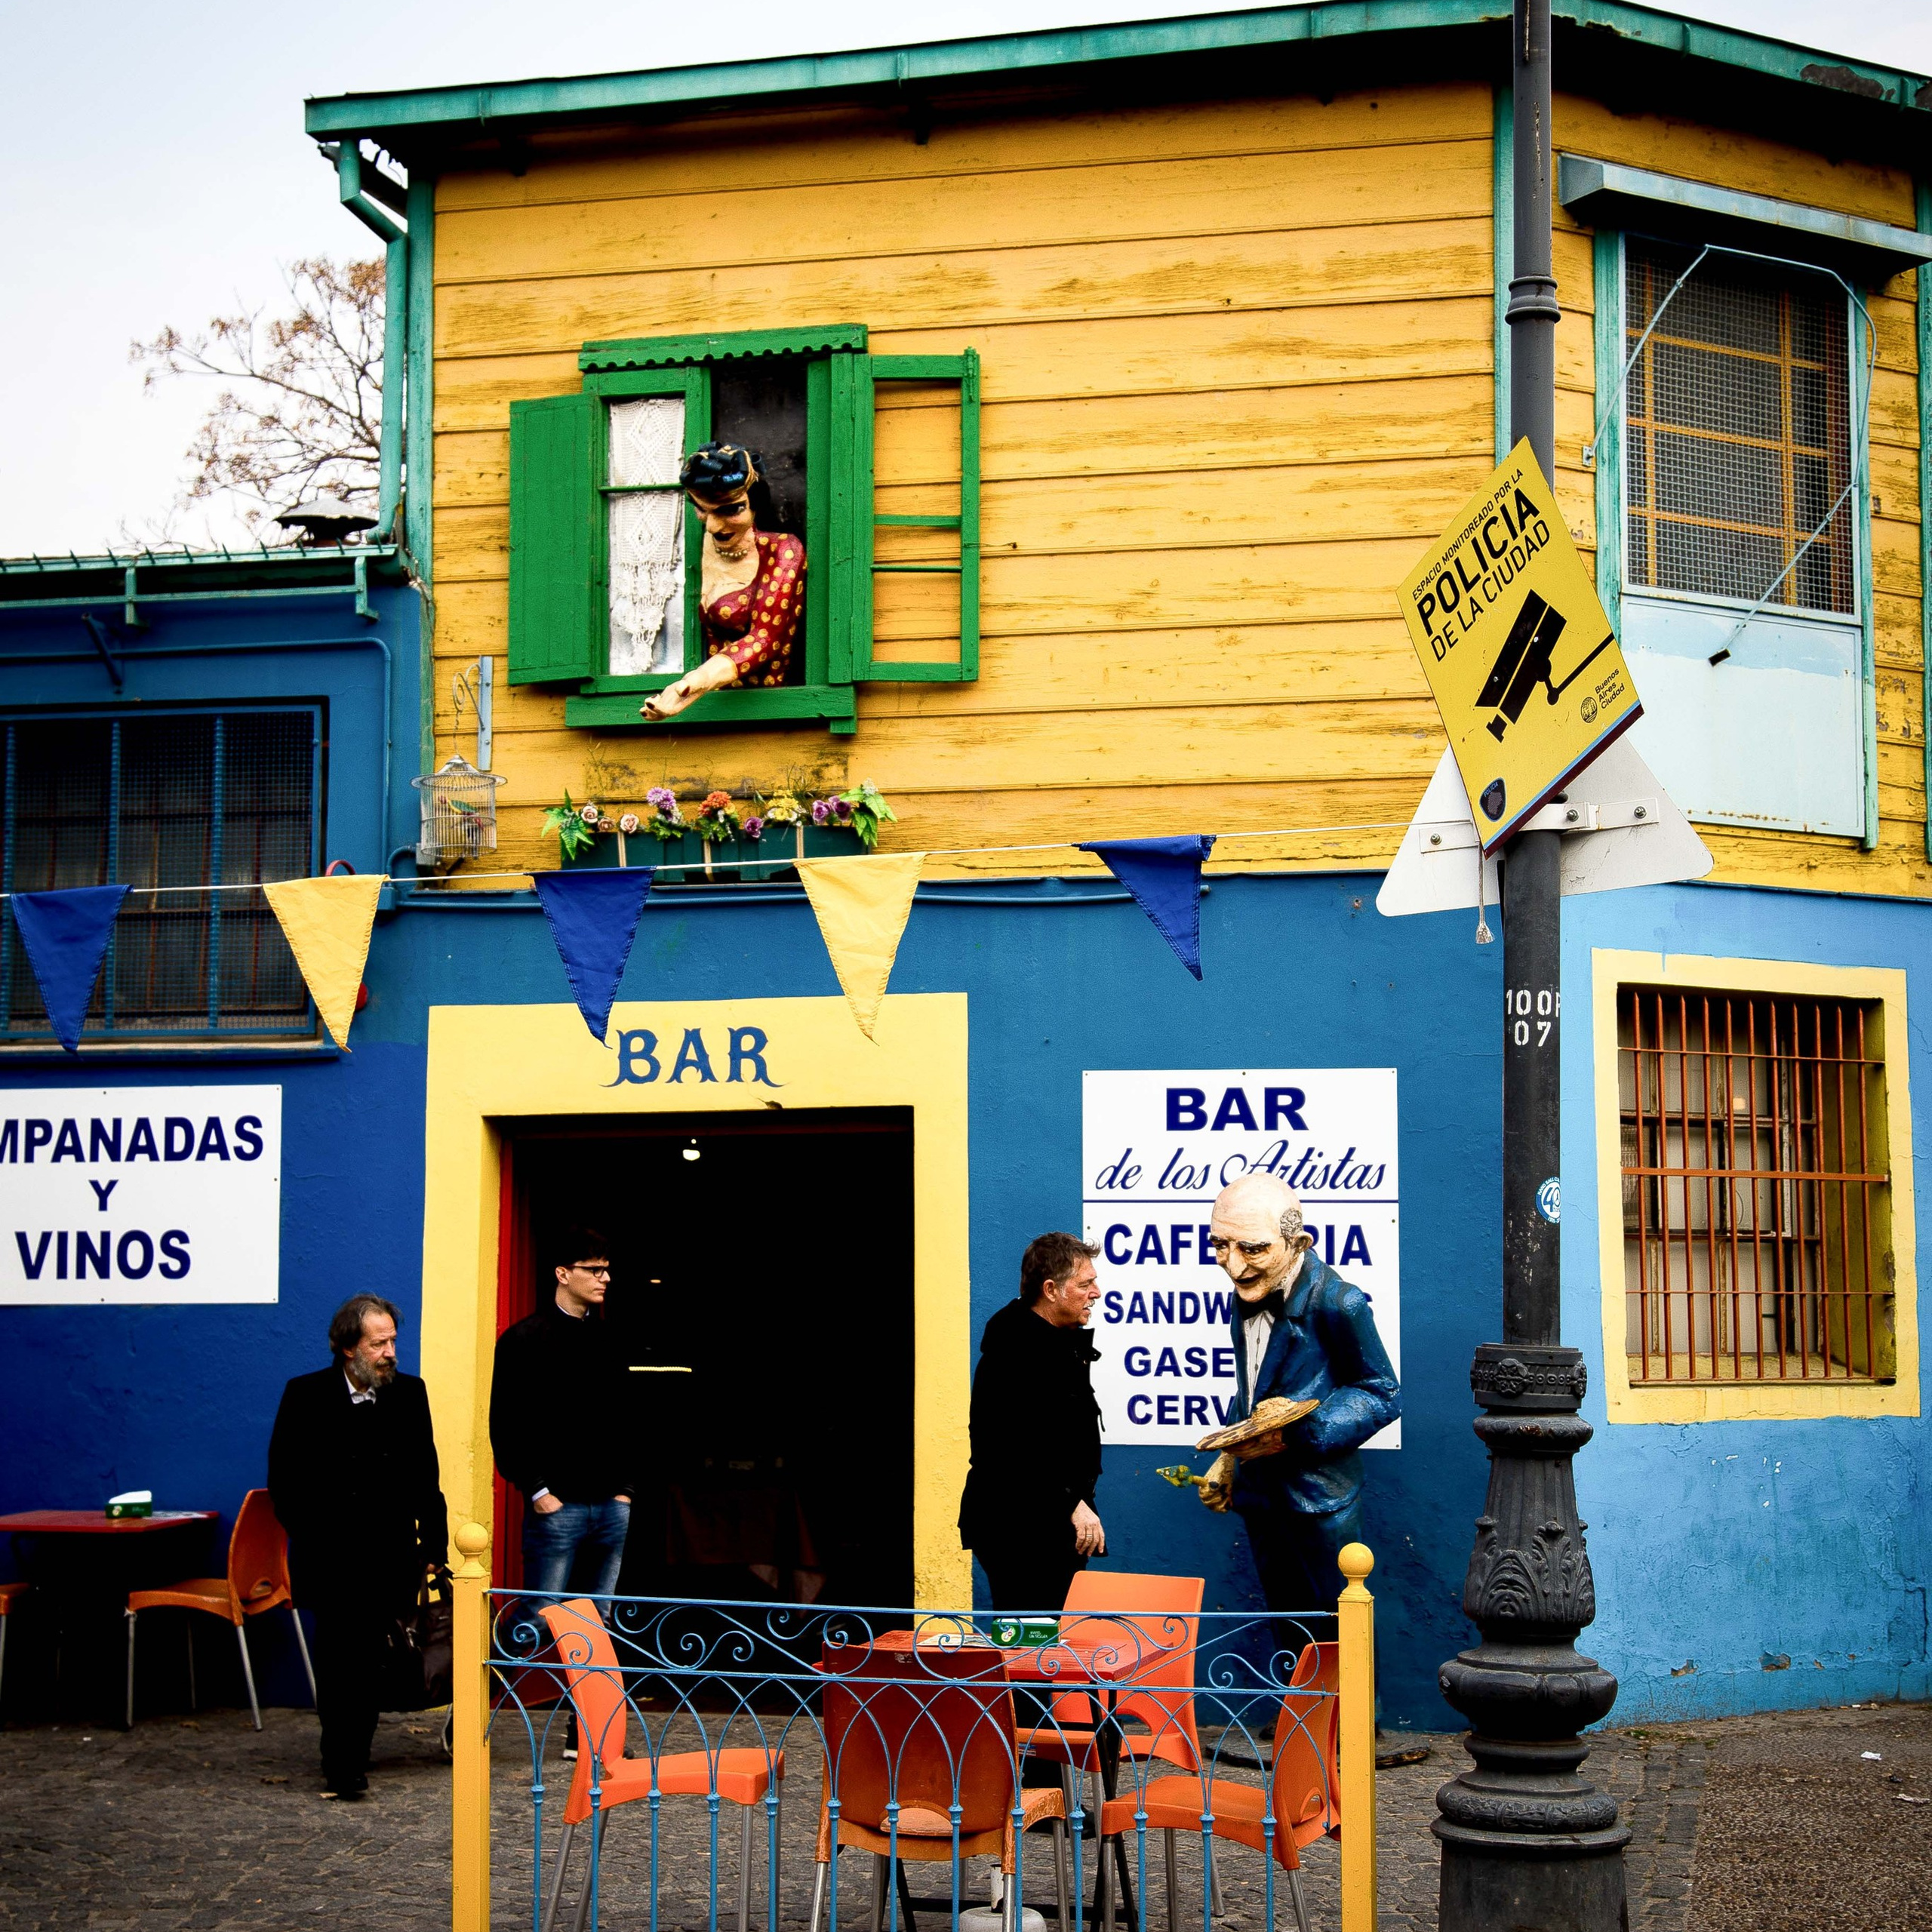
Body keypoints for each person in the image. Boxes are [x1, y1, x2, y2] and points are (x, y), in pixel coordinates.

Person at [267, 1294, 447, 1801]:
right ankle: (341, 1761)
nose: (390, 1351)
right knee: (338, 1656)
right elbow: (285, 1482)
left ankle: (355, 1750)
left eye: (393, 1340)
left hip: (391, 1555)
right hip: (330, 1558)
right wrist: (316, 1539)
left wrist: (432, 1542)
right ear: (348, 1348)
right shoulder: (304, 1395)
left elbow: (425, 1475)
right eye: (379, 1343)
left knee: (371, 1658)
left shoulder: (409, 1394)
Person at [1200, 1172, 1400, 1624]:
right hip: (1261, 1498)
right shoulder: (1250, 1290)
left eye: (1253, 1248)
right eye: (1219, 1245)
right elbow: (1253, 1387)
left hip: (1318, 1501)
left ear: (1298, 1243)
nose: (1233, 1266)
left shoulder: (1338, 1304)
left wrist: (1299, 1430)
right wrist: (1230, 1459)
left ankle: (1357, 1702)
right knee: (1288, 1640)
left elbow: (1381, 1392)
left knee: (1343, 1638)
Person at [958, 1232, 1106, 1612]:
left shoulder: (1055, 1341)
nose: (1097, 1292)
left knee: (1046, 1647)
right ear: (1051, 1289)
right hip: (1018, 1527)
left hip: (1047, 1522)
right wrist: (1071, 1503)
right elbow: (1006, 1448)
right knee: (1032, 1648)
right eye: (1086, 1284)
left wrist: (1075, 1503)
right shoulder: (1016, 1351)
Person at [490, 1226, 636, 1606]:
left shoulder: (611, 1340)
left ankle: (591, 1671)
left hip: (610, 1504)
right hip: (556, 1506)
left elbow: (630, 1420)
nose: (605, 1278)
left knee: (598, 1619)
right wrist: (538, 1490)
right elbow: (506, 1424)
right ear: (563, 1273)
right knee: (539, 1616)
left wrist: (625, 1492)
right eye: (594, 1269)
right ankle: (517, 1667)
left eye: (606, 1269)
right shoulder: (524, 1340)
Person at [640, 441, 805, 719]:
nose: (713, 526)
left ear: (755, 506)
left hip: (766, 713)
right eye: (702, 510)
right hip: (712, 713)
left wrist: (694, 683)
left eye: (730, 510)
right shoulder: (695, 543)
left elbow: (764, 638)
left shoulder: (782, 551)